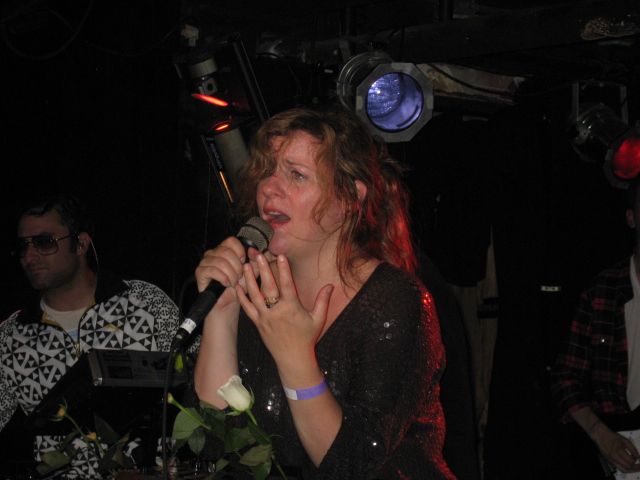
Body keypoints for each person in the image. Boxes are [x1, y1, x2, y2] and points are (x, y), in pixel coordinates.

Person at [193, 105, 454, 479]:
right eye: (266, 171)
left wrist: (296, 356)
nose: (268, 188)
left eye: (296, 175)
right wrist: (222, 312)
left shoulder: (396, 300)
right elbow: (214, 442)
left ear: (349, 198)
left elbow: (353, 466)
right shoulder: (256, 287)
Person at [0, 193, 181, 478]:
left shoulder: (146, 303)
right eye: (23, 245)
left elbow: (201, 384)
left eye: (44, 242)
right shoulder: (10, 337)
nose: (29, 256)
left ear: (81, 244)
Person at [551, 176, 640, 478]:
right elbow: (565, 378)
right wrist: (602, 436)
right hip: (622, 450)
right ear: (631, 218)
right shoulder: (603, 291)